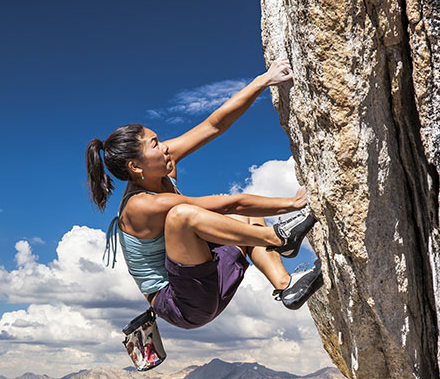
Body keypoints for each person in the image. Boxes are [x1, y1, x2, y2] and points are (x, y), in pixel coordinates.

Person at [85, 60, 323, 330]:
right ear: (136, 166)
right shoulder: (140, 206)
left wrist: (263, 81)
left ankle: (286, 285)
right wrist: (293, 204)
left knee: (242, 217)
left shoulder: (161, 165)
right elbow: (226, 204)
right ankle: (279, 238)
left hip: (206, 277)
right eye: (155, 145)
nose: (164, 147)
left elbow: (214, 125)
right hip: (182, 304)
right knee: (182, 216)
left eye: (159, 140)